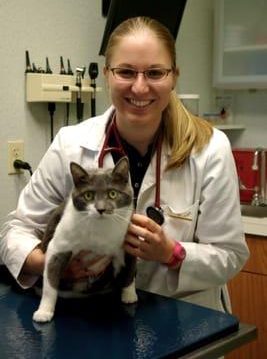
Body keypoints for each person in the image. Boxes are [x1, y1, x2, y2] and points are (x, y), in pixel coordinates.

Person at [0, 16, 249, 311]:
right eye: (126, 72)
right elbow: (16, 230)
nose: (140, 88)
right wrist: (50, 264)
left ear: (174, 76)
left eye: (155, 73)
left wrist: (172, 253)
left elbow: (230, 256)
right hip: (95, 321)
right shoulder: (70, 144)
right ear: (107, 74)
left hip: (185, 319)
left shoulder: (210, 149)